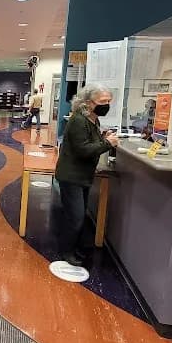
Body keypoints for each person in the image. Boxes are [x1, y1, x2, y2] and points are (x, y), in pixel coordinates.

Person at [54, 83, 119, 273]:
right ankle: (66, 252)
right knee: (76, 217)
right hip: (71, 176)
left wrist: (102, 138)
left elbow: (91, 143)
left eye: (108, 101)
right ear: (88, 102)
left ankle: (73, 249)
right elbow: (83, 150)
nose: (106, 104)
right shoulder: (79, 121)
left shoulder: (93, 120)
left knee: (78, 216)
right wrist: (108, 143)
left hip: (82, 176)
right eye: (102, 101)